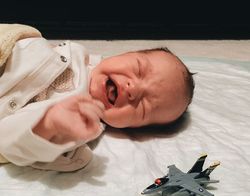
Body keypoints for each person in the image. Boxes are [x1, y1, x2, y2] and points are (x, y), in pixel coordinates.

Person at [0, 36, 194, 171]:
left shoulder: (80, 124)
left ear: (133, 127)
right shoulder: (77, 54)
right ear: (125, 53)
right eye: (139, 68)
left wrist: (48, 125)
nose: (133, 89)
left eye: (143, 107)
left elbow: (10, 142)